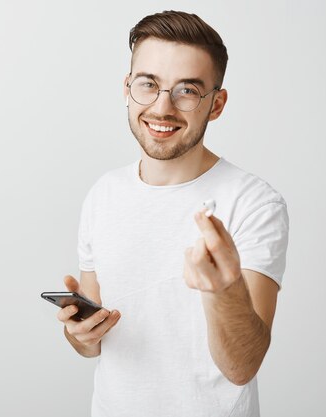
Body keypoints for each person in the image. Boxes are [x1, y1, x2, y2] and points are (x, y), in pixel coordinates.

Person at [56, 10, 289, 417]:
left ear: (216, 104)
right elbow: (91, 344)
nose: (162, 107)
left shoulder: (253, 203)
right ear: (128, 89)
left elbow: (242, 367)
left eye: (186, 90)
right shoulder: (103, 194)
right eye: (149, 85)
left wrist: (223, 289)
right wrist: (80, 335)